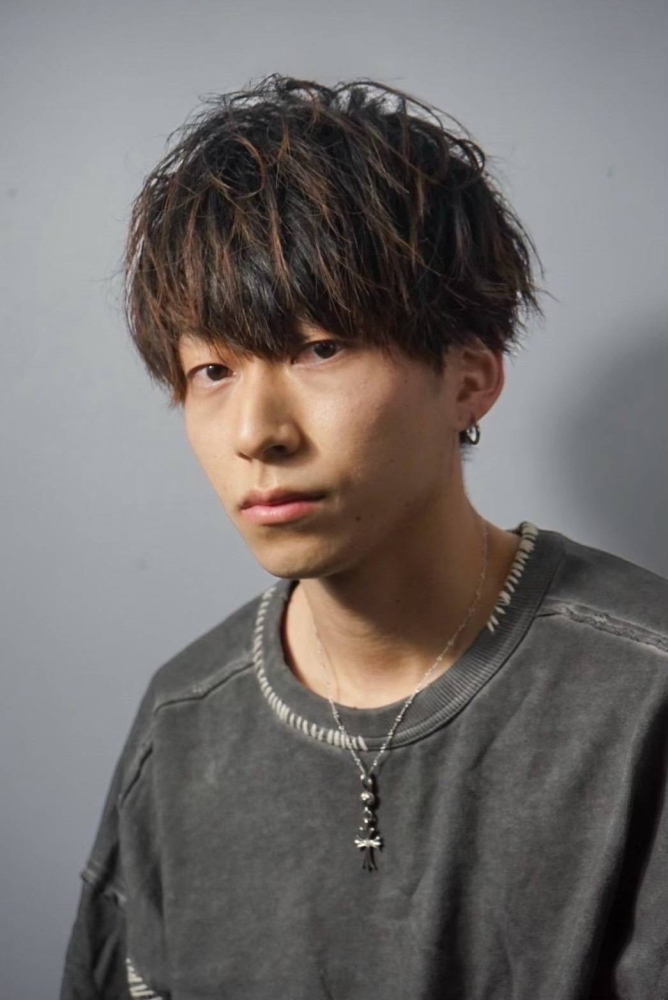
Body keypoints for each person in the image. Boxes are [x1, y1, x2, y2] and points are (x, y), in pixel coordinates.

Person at [59, 74, 667, 1000]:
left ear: (469, 379)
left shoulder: (643, 694)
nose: (256, 432)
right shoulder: (184, 722)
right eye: (213, 369)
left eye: (320, 349)